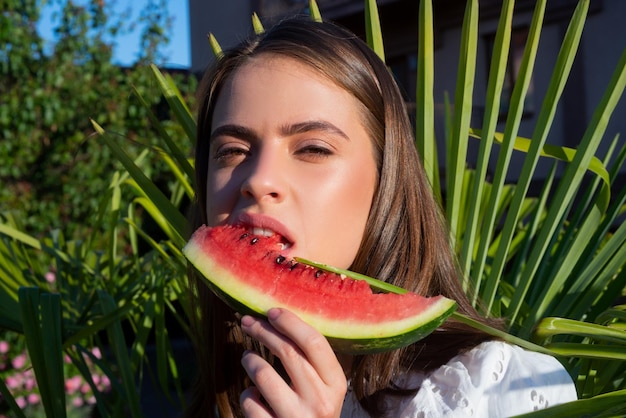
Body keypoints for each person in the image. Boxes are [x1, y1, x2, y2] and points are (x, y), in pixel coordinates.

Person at [185, 16, 577, 417]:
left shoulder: (500, 386)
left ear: (385, 178)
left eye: (313, 149)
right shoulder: (228, 391)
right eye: (231, 151)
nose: (259, 179)